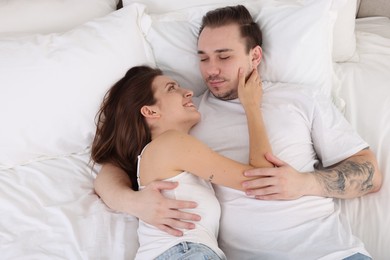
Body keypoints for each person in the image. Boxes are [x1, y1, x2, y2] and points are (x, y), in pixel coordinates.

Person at [93, 5, 382, 260]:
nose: (211, 70)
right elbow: (117, 162)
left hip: (329, 252)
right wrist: (131, 201)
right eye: (203, 58)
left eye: (224, 56)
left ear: (255, 56)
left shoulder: (302, 99)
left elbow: (370, 173)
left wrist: (307, 183)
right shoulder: (187, 115)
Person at [91, 65, 273, 259]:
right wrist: (252, 106)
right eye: (172, 88)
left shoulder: (157, 154)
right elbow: (262, 178)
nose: (188, 92)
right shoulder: (171, 143)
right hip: (184, 252)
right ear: (150, 112)